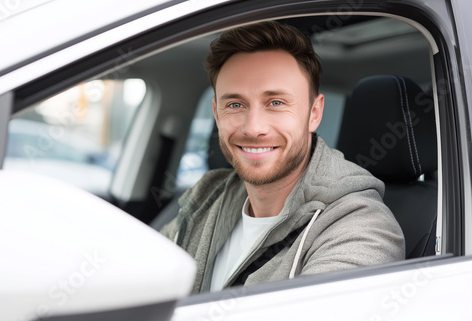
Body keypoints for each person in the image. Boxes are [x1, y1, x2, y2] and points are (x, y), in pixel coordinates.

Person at [161, 21, 405, 294]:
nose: (253, 128)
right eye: (235, 104)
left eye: (276, 103)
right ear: (217, 115)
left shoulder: (361, 229)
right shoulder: (207, 194)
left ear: (314, 113)